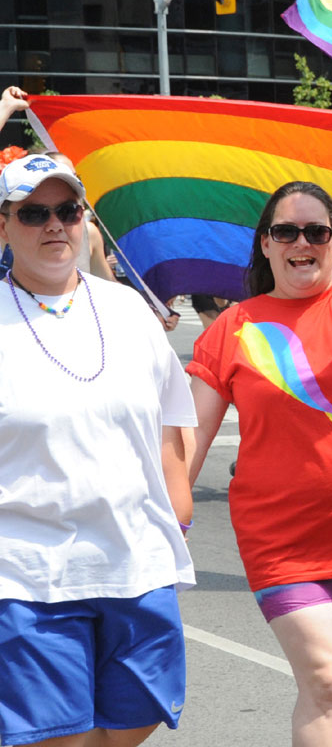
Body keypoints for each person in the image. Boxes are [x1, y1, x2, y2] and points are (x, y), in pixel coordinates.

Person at [185, 119, 332, 746]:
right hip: (281, 539)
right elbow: (187, 442)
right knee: (324, 678)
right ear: (265, 245)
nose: (302, 242)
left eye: (316, 232)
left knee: (329, 687)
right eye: (285, 231)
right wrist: (164, 517)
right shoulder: (231, 328)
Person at [0, 153, 197, 746]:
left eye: (67, 210)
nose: (54, 225)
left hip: (135, 567)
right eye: (33, 213)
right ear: (3, 227)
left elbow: (170, 419)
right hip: (29, 576)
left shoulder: (128, 309)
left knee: (129, 727)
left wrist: (177, 512)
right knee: (60, 739)